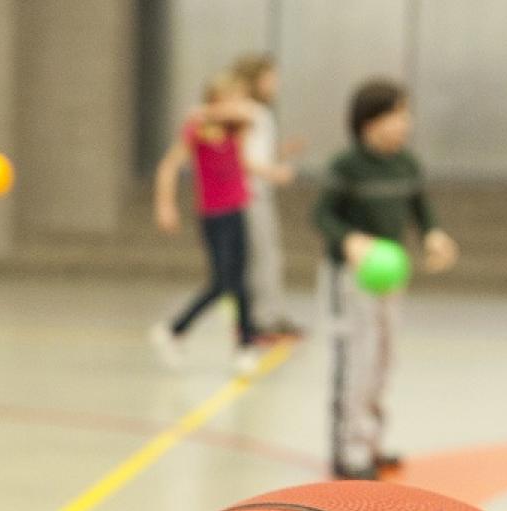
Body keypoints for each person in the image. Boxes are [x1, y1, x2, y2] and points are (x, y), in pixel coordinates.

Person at [312, 79, 458, 480]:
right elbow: (322, 216)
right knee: (356, 361)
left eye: (406, 115)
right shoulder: (346, 167)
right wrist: (350, 241)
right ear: (370, 122)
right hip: (351, 279)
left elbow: (420, 208)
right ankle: (348, 452)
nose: (405, 123)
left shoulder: (407, 165)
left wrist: (433, 234)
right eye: (397, 114)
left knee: (383, 359)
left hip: (391, 279)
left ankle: (371, 442)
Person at [149, 75, 280, 372]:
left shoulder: (237, 127)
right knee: (223, 283)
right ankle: (174, 329)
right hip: (213, 214)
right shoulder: (197, 130)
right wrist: (165, 205)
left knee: (241, 279)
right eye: (230, 98)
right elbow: (169, 166)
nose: (237, 104)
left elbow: (244, 154)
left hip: (237, 208)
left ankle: (245, 345)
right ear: (215, 98)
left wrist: (271, 173)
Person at [229, 54, 302, 338]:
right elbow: (239, 157)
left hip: (259, 193)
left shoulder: (261, 113)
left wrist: (281, 154)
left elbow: (259, 154)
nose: (276, 84)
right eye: (270, 77)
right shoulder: (245, 112)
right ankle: (260, 319)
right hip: (249, 194)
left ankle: (271, 313)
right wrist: (272, 172)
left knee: (268, 256)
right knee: (261, 258)